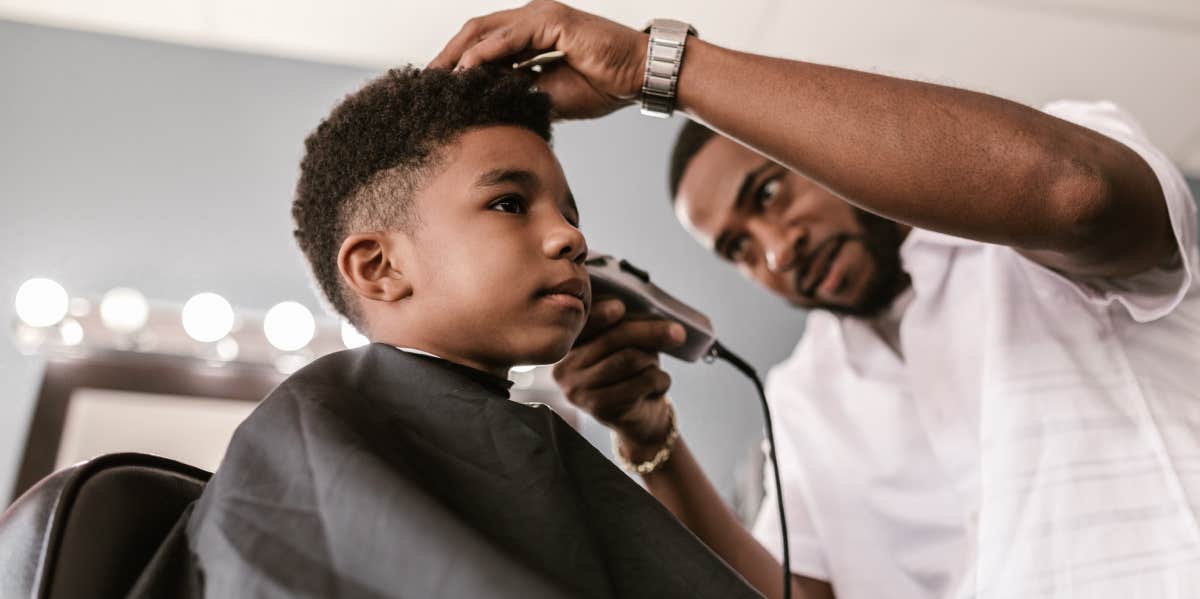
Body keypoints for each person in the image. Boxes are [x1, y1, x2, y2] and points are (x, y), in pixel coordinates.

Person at [430, 3, 1200, 599]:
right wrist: (649, 438)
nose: (775, 249)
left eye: (770, 192)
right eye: (738, 247)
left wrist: (655, 66)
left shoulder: (1036, 247)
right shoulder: (805, 399)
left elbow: (1078, 194)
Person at [128, 66, 760, 599]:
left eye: (570, 214)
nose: (573, 238)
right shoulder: (320, 433)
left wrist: (651, 437)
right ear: (380, 267)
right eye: (510, 203)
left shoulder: (515, 438)